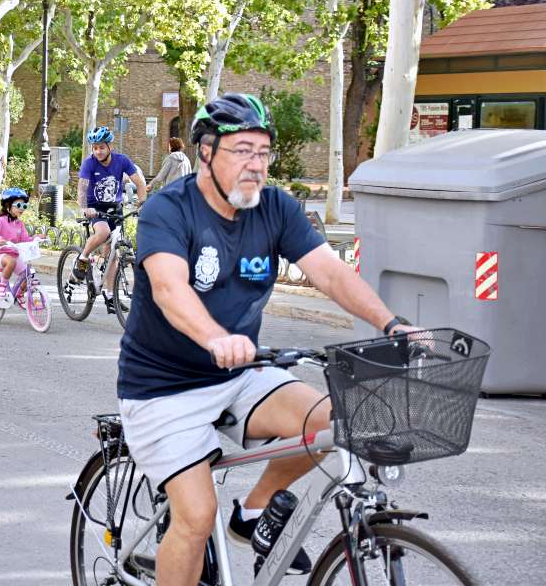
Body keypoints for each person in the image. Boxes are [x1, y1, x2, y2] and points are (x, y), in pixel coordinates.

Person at [117, 93, 416, 586]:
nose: (256, 165)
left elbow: (331, 274)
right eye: (242, 151)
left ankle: (251, 515)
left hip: (240, 376)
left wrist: (391, 324)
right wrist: (215, 337)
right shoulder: (168, 210)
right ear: (207, 153)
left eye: (263, 152)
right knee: (193, 516)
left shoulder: (275, 208)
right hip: (162, 389)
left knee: (337, 419)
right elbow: (170, 290)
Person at [69, 126, 149, 312]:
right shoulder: (89, 164)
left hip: (116, 209)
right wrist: (84, 208)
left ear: (109, 146)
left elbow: (139, 182)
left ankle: (110, 295)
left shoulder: (122, 161)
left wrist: (143, 201)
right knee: (103, 232)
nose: (98, 151)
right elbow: (82, 187)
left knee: (113, 253)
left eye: (101, 147)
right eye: (95, 148)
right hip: (95, 209)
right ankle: (82, 259)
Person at [0, 187, 37, 305]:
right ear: (8, 205)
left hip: (14, 255)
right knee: (11, 262)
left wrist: (36, 238)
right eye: (19, 205)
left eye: (24, 206)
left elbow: (25, 239)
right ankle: (2, 287)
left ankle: (19, 293)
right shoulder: (0, 221)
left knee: (28, 273)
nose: (22, 209)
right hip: (0, 256)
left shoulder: (19, 224)